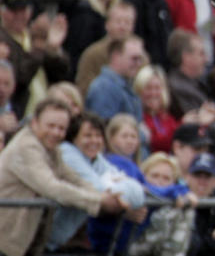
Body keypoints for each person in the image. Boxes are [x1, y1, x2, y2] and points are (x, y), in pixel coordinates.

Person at [0, 99, 127, 256]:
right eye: (51, 126)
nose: (56, 133)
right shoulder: (26, 147)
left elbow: (71, 177)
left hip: (20, 241)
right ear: (34, 123)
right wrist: (99, 200)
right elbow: (52, 187)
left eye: (61, 128)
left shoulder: (51, 148)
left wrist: (101, 195)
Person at [49, 112, 146, 252]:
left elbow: (137, 194)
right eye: (88, 136)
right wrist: (121, 199)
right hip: (45, 239)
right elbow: (97, 189)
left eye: (98, 136)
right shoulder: (67, 153)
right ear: (74, 138)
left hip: (70, 241)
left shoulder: (97, 159)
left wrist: (117, 197)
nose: (94, 141)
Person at [0, 0, 70, 118]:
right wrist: (39, 47)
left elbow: (62, 72)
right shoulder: (3, 41)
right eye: (13, 11)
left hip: (43, 107)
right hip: (17, 113)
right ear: (3, 12)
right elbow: (20, 78)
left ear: (30, 12)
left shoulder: (33, 35)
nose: (19, 16)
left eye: (23, 11)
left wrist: (53, 50)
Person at [75, 2, 137, 95]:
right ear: (107, 24)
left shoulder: (140, 55)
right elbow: (84, 88)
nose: (122, 27)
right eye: (118, 21)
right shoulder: (92, 54)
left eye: (127, 22)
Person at [85, 36, 146, 121]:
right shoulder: (104, 88)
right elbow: (105, 128)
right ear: (116, 56)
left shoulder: (128, 86)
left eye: (140, 59)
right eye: (134, 59)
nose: (138, 64)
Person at [185, 152, 215, 256]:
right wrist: (212, 240)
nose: (202, 181)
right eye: (197, 175)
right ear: (187, 178)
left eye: (207, 176)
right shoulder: (180, 203)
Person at [133, 65, 180, 154]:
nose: (153, 93)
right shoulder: (137, 117)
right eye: (148, 88)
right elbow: (159, 142)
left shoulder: (165, 116)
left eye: (157, 88)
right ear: (139, 90)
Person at [166, 28, 210, 120]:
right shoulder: (179, 88)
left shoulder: (195, 83)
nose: (207, 59)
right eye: (201, 54)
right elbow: (201, 123)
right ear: (186, 57)